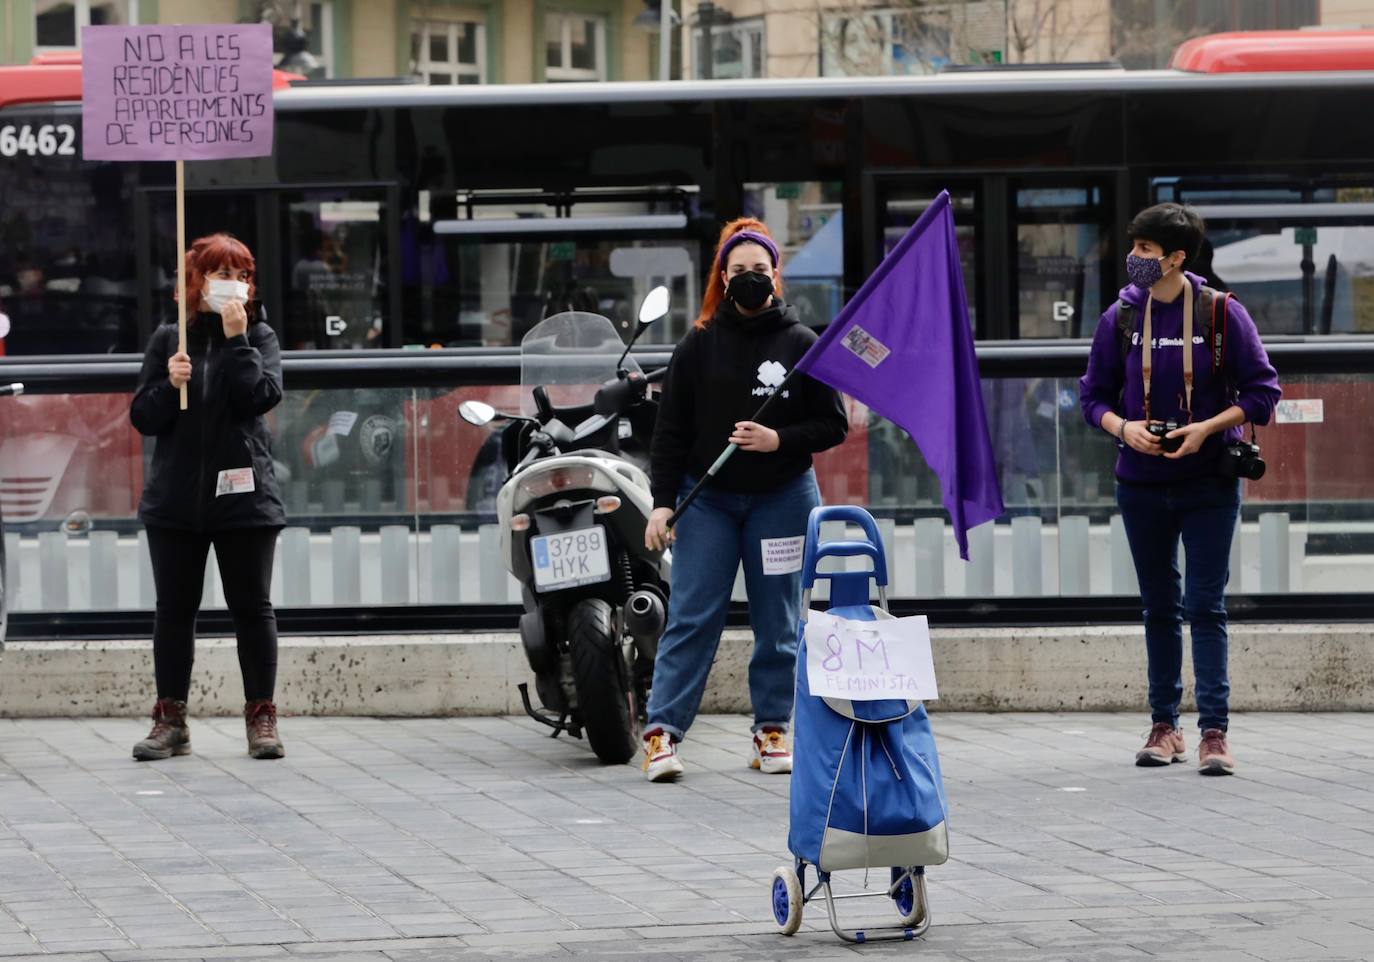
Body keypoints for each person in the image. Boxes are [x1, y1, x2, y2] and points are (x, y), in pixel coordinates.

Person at [640, 219, 849, 782]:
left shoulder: (804, 345)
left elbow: (833, 425)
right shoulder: (697, 344)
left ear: (776, 277)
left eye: (761, 271)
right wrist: (662, 504)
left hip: (782, 500)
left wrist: (779, 440)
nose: (751, 280)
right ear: (722, 278)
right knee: (691, 616)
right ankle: (661, 734)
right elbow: (670, 434)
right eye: (740, 272)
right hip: (706, 502)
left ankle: (771, 729)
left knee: (778, 621)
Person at [1080, 204, 1280, 776]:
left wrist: (1206, 429)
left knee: (1205, 605)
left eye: (1146, 250)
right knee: (1159, 607)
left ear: (1176, 258)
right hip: (1139, 483)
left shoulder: (1221, 313)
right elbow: (1092, 396)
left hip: (1209, 481)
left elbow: (1263, 392)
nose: (1135, 259)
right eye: (1134, 247)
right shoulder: (1119, 315)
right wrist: (1125, 429)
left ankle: (1214, 733)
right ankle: (1163, 726)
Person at [129, 233, 288, 762]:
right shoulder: (168, 338)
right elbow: (143, 418)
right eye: (221, 274)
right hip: (176, 499)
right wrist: (166, 384)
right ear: (196, 281)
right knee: (174, 610)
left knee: (252, 607)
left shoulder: (260, 334)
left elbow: (260, 397)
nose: (233, 285)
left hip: (244, 496)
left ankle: (261, 717)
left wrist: (238, 340)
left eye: (241, 274)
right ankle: (170, 719)